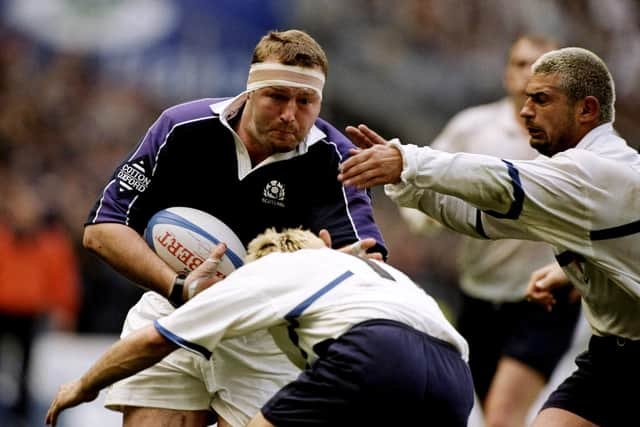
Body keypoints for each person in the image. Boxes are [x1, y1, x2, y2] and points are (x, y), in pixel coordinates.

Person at [82, 29, 387, 427]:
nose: (290, 114)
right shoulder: (181, 129)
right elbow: (102, 229)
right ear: (250, 91)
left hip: (270, 336)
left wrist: (339, 268)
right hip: (176, 307)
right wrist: (181, 286)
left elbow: (368, 257)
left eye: (306, 101)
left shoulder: (336, 159)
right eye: (277, 96)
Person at [338, 46, 640, 427]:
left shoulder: (596, 171)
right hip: (611, 357)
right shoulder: (583, 176)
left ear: (587, 110)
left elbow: (504, 179)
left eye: (542, 100)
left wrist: (409, 161)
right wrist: (405, 183)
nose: (526, 110)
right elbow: (479, 220)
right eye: (528, 97)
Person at [46, 227, 473, 427]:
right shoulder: (358, 267)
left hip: (376, 352)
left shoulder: (270, 270)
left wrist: (85, 384)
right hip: (455, 377)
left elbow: (157, 338)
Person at [398, 34, 582, 427]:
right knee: (484, 411)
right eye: (520, 64)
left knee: (502, 417)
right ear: (505, 74)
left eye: (543, 66)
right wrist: (426, 214)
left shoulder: (578, 140)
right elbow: (420, 185)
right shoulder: (472, 128)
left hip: (544, 299)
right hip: (479, 296)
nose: (529, 74)